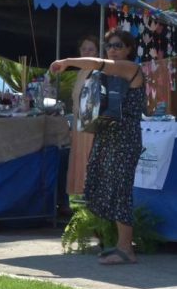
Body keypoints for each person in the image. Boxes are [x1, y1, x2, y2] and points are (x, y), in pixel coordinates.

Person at [50, 29, 145, 265]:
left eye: (118, 45)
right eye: (109, 45)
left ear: (128, 49)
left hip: (124, 139)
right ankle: (115, 243)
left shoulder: (130, 69)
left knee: (119, 191)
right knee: (100, 186)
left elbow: (98, 63)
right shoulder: (110, 74)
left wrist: (67, 62)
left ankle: (126, 249)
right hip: (106, 135)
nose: (112, 49)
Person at [66, 35, 99, 195]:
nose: (86, 52)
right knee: (80, 158)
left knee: (89, 158)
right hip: (79, 123)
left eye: (91, 49)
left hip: (91, 124)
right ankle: (84, 195)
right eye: (84, 49)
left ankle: (92, 194)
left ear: (97, 52)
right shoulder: (81, 72)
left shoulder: (97, 71)